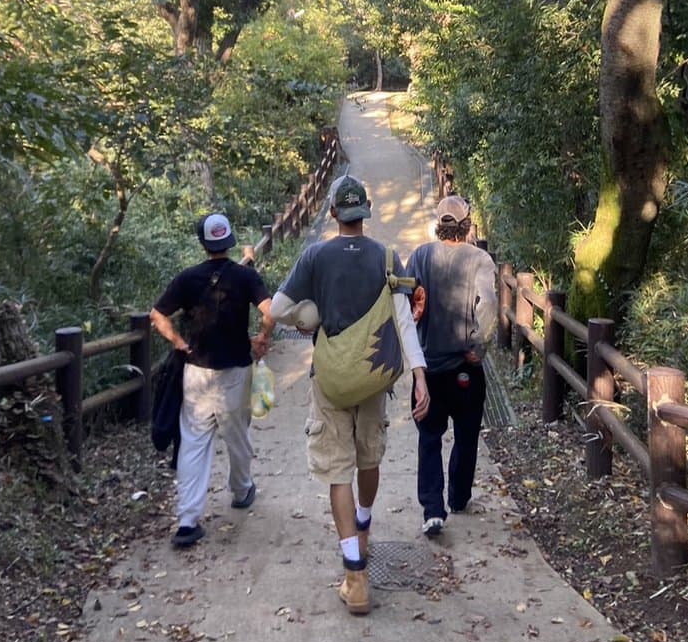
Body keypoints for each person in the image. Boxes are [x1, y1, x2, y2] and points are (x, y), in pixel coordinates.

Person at [265, 175, 430, 616]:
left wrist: (305, 321)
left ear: (334, 212)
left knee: (338, 469)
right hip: (373, 377)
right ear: (367, 210)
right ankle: (365, 525)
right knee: (368, 457)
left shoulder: (315, 255)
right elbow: (403, 319)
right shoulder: (385, 257)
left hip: (331, 378)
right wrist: (420, 376)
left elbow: (277, 309)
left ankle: (355, 577)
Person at [150, 213, 274, 548]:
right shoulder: (245, 276)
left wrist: (178, 342)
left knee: (193, 443)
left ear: (204, 244)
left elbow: (157, 315)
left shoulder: (187, 279)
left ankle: (188, 521)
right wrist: (262, 338)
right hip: (235, 371)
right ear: (229, 240)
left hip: (196, 372)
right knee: (238, 437)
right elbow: (270, 310)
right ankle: (242, 489)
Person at [405, 195, 497, 537]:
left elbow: (404, 300)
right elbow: (486, 306)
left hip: (427, 369)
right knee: (467, 434)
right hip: (464, 367)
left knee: (429, 437)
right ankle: (458, 497)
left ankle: (432, 510)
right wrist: (479, 346)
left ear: (438, 224)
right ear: (468, 226)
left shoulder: (420, 256)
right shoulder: (480, 260)